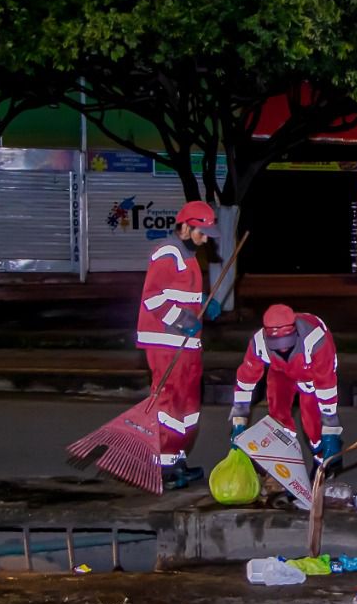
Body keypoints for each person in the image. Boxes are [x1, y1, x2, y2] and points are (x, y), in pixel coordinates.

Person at [136, 200, 219, 490]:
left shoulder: (189, 256)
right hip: (165, 343)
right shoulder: (167, 253)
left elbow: (183, 295)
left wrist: (205, 304)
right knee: (169, 404)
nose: (206, 238)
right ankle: (164, 467)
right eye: (201, 232)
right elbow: (154, 297)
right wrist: (184, 320)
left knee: (188, 405)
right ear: (185, 228)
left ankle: (176, 458)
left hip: (185, 343)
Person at [230, 304, 343, 474]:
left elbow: (325, 383)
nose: (283, 348)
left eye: (286, 344)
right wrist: (239, 418)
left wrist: (331, 426)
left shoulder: (316, 338)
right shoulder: (258, 343)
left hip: (310, 373)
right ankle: (283, 460)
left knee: (313, 423)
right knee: (277, 412)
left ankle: (324, 461)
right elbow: (246, 380)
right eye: (277, 345)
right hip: (280, 370)